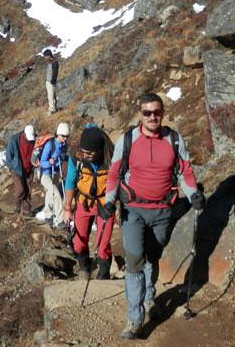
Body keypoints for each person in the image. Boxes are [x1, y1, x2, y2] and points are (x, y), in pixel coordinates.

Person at [101, 93, 205, 339]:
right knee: (135, 262)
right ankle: (135, 319)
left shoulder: (174, 140)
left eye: (156, 112)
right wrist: (109, 201)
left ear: (162, 113)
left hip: (162, 211)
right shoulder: (127, 140)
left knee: (153, 257)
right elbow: (114, 174)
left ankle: (149, 299)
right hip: (133, 211)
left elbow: (185, 171)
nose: (152, 117)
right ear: (140, 114)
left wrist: (193, 194)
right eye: (147, 112)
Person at [62, 127, 115, 280]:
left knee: (103, 243)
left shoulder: (111, 158)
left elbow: (118, 181)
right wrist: (67, 208)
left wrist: (112, 203)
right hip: (83, 202)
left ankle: (103, 275)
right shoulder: (76, 157)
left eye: (90, 153)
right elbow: (70, 182)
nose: (85, 156)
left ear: (99, 150)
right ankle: (85, 267)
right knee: (78, 242)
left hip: (105, 203)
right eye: (83, 151)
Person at [38, 122, 70, 226]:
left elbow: (64, 157)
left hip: (55, 173)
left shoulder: (63, 146)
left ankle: (48, 216)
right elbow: (42, 162)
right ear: (58, 134)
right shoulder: (50, 145)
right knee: (56, 194)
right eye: (63, 136)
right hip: (46, 174)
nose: (65, 138)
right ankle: (60, 220)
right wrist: (49, 162)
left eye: (67, 136)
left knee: (50, 195)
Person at [5, 125, 36, 216]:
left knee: (28, 190)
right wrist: (12, 167)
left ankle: (26, 210)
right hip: (17, 169)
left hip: (29, 168)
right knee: (21, 189)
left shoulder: (35, 139)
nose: (31, 140)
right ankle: (16, 206)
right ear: (24, 134)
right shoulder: (13, 140)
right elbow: (8, 157)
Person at [43, 49, 59, 115]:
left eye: (45, 56)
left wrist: (52, 81)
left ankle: (51, 110)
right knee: (53, 96)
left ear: (49, 55)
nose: (45, 58)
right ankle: (55, 108)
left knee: (50, 96)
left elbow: (55, 72)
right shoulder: (51, 62)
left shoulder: (54, 62)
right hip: (49, 81)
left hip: (51, 82)